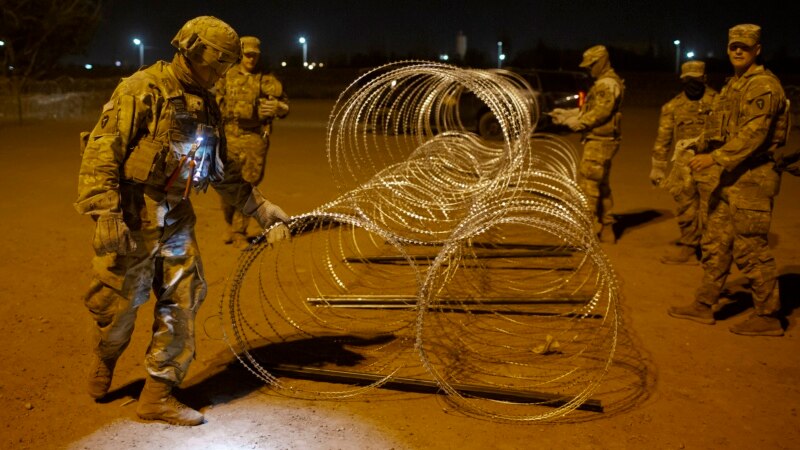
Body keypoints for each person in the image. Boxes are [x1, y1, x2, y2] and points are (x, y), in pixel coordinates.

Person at [75, 16, 291, 426]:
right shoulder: (142, 88)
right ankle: (106, 356)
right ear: (192, 52)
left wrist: (259, 208)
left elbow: (223, 168)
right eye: (217, 64)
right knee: (117, 307)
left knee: (183, 299)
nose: (222, 74)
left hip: (176, 216)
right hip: (133, 214)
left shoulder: (207, 103)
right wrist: (105, 212)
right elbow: (102, 150)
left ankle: (157, 393)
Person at [667, 24, 790, 336]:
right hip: (729, 177)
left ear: (757, 50)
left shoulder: (762, 85)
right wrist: (699, 143)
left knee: (750, 247)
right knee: (715, 242)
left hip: (752, 178)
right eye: (734, 45)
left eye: (745, 47)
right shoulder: (733, 86)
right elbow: (719, 126)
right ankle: (705, 304)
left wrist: (715, 158)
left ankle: (768, 316)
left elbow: (755, 134)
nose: (738, 51)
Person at [215, 36, 289, 248]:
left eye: (255, 55)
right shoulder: (225, 76)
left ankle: (240, 231)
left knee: (247, 185)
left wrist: (279, 108)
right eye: (247, 54)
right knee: (226, 186)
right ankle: (229, 224)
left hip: (254, 138)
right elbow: (213, 103)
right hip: (228, 136)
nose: (251, 59)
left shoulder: (266, 79)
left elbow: (284, 104)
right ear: (240, 54)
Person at [551, 45, 624, 243]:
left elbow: (602, 112)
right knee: (602, 186)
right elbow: (592, 110)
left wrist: (580, 123)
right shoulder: (605, 83)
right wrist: (567, 115)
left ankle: (584, 233)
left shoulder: (606, 84)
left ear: (601, 62)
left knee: (589, 185)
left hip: (600, 142)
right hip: (603, 140)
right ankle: (608, 228)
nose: (588, 70)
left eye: (591, 65)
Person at [650, 61, 718, 264]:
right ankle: (689, 247)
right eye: (688, 80)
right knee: (685, 208)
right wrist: (658, 166)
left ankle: (712, 253)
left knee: (712, 211)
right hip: (684, 167)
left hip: (712, 164)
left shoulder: (720, 102)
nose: (692, 84)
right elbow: (663, 138)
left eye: (696, 80)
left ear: (704, 79)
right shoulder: (672, 107)